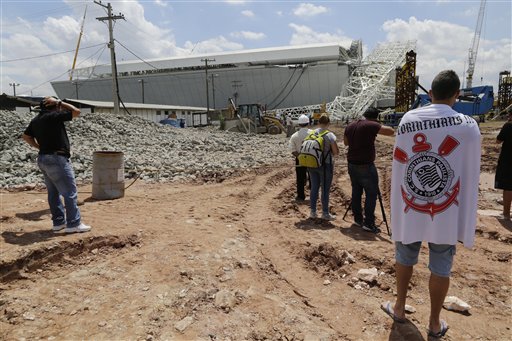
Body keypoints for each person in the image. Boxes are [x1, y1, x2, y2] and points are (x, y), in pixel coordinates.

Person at [382, 70, 481, 338]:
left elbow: (401, 163)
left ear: (429, 94)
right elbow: (471, 170)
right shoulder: (468, 124)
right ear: (457, 95)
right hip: (447, 212)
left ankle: (400, 308)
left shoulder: (408, 119)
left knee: (404, 257)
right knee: (441, 266)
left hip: (410, 207)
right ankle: (435, 323)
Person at [22, 96, 91, 233]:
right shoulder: (53, 116)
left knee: (53, 193)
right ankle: (73, 224)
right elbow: (77, 112)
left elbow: (26, 136)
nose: (60, 107)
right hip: (57, 158)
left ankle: (58, 223)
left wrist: (39, 147)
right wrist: (59, 102)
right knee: (70, 192)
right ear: (54, 106)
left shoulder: (36, 120)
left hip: (43, 158)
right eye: (57, 105)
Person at [343, 107, 394, 233]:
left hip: (352, 164)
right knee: (371, 194)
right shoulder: (371, 124)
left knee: (356, 191)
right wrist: (376, 125)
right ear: (375, 117)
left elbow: (345, 143)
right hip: (365, 165)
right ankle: (369, 222)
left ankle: (358, 219)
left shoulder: (350, 125)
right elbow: (391, 131)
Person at [308, 115, 339, 220]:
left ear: (318, 122)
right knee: (325, 189)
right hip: (325, 165)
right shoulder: (330, 135)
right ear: (328, 123)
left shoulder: (312, 132)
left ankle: (313, 212)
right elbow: (336, 152)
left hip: (312, 164)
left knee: (314, 188)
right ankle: (325, 213)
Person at [288, 114, 311, 202]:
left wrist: (300, 157)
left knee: (300, 178)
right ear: (308, 123)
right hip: (312, 158)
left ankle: (301, 196)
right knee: (313, 177)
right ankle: (314, 195)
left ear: (299, 124)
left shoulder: (294, 136)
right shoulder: (313, 133)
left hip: (300, 158)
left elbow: (292, 150)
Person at [495, 108, 512, 220]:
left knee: (508, 186)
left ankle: (506, 213)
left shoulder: (508, 126)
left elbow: (498, 140)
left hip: (508, 160)